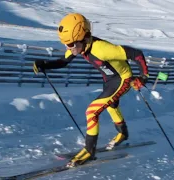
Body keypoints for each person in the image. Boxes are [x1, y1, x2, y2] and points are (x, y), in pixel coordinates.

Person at [33, 13, 149, 168]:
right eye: (66, 44)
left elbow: (136, 54)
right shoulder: (79, 46)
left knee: (92, 111)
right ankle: (123, 133)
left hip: (122, 79)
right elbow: (63, 61)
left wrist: (143, 76)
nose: (69, 48)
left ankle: (89, 150)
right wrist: (45, 64)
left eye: (72, 44)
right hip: (109, 80)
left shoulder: (102, 49)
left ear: (85, 37)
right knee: (111, 105)